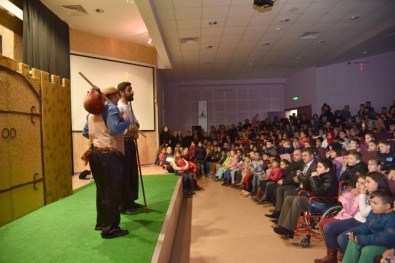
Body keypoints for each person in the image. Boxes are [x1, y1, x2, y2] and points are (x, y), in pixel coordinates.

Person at [82, 86, 129, 239]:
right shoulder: (111, 109)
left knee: (102, 190)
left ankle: (101, 223)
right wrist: (126, 122)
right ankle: (110, 229)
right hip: (109, 156)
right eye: (116, 95)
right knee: (112, 192)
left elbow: (85, 132)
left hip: (94, 155)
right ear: (113, 95)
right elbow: (115, 129)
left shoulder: (91, 112)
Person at [273, 159, 338, 238]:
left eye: (320, 167)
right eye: (317, 166)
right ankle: (282, 225)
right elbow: (307, 188)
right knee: (289, 198)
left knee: (299, 200)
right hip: (317, 199)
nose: (317, 168)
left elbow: (318, 192)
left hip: (324, 203)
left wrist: (314, 178)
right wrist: (310, 178)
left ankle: (288, 228)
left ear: (327, 169)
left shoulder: (330, 178)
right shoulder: (320, 176)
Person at [343, 190, 395, 263]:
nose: (371, 205)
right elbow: (366, 226)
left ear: (387, 206)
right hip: (373, 240)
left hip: (388, 246)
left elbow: (385, 239)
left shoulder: (392, 219)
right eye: (371, 202)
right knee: (353, 242)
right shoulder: (374, 212)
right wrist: (354, 232)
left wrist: (361, 238)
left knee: (368, 251)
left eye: (375, 203)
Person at [117, 81, 144, 215]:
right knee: (125, 174)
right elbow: (123, 130)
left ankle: (131, 200)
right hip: (124, 144)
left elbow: (136, 124)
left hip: (130, 143)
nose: (132, 92)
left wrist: (134, 128)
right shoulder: (119, 107)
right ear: (121, 93)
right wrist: (132, 130)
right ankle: (124, 205)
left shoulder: (128, 107)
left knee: (133, 173)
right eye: (129, 90)